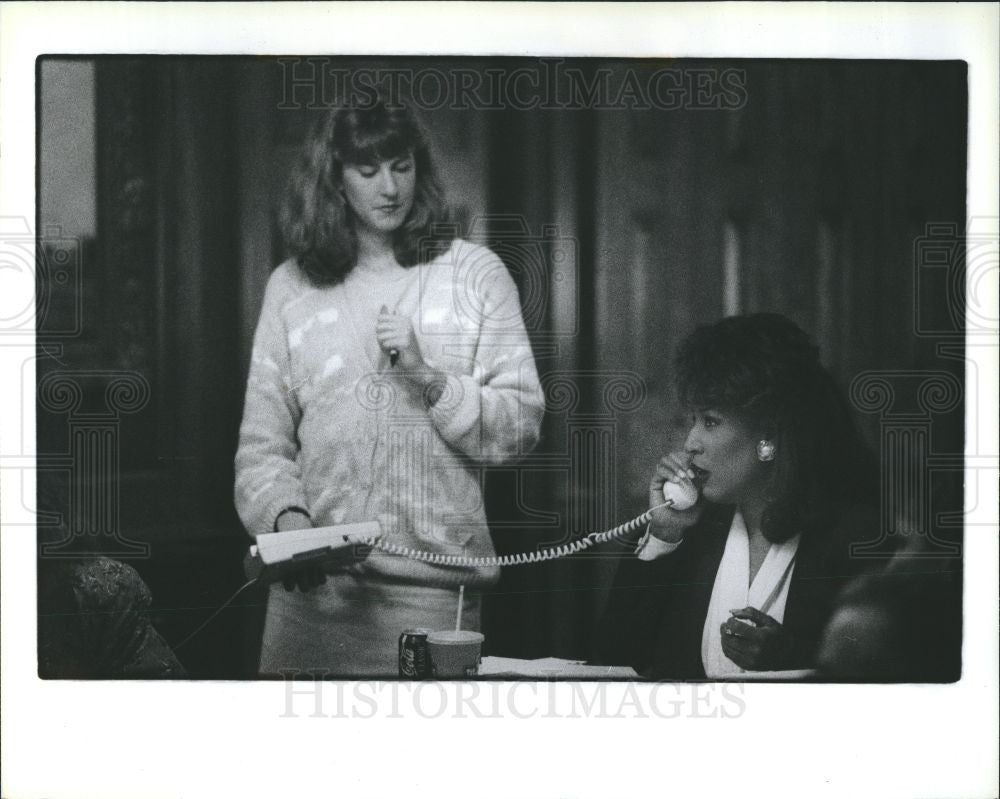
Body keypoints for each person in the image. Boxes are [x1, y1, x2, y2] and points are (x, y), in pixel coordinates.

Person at [234, 98, 544, 677]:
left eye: (402, 166)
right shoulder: (291, 287)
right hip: (311, 601)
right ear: (334, 178)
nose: (390, 187)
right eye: (367, 169)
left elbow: (520, 425)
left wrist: (429, 379)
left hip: (432, 599)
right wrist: (287, 523)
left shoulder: (474, 275)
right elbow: (261, 447)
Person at [595, 313, 882, 679]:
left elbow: (882, 675)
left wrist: (789, 655)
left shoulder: (854, 535)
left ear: (768, 435)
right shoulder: (693, 530)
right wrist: (664, 536)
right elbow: (612, 655)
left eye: (711, 421)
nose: (690, 444)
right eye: (692, 421)